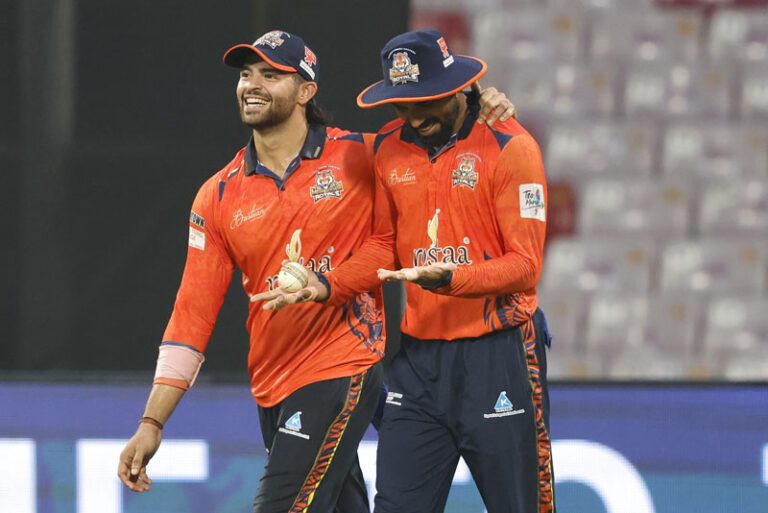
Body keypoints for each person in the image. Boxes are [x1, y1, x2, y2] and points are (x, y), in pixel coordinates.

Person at [116, 30, 517, 513]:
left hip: (345, 364)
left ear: (306, 90)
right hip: (272, 385)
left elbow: (442, 142)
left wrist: (480, 108)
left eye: (271, 74)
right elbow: (192, 316)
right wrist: (152, 422)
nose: (252, 85)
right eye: (246, 75)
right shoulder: (218, 196)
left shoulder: (363, 154)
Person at [257, 29, 555, 513]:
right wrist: (327, 285)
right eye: (403, 105)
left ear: (458, 88)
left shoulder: (511, 147)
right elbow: (384, 246)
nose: (416, 117)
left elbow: (525, 267)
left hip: (499, 352)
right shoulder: (389, 147)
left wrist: (451, 280)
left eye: (427, 102)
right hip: (417, 365)